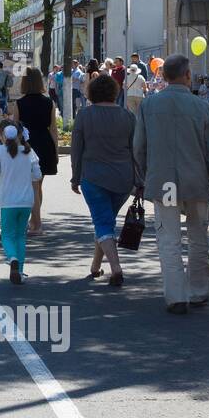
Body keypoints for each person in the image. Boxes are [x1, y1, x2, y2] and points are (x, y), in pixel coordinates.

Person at [134, 53, 209, 313]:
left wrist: (142, 178)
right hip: (197, 181)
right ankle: (199, 291)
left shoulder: (148, 106)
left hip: (163, 182)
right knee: (199, 237)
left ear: (163, 77)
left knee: (168, 239)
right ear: (187, 76)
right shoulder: (203, 108)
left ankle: (176, 296)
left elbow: (139, 147)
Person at [71, 73, 140, 286]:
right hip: (123, 179)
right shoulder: (128, 116)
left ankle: (116, 268)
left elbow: (76, 149)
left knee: (102, 223)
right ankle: (95, 266)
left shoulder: (84, 115)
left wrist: (75, 177)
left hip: (94, 176)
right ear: (114, 91)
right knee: (105, 222)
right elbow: (136, 150)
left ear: (92, 92)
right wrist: (139, 180)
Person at [0, 122, 41, 285]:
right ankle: (19, 271)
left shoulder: (0, 151)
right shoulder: (29, 151)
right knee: (20, 236)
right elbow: (37, 176)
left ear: (3, 136)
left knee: (7, 235)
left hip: (7, 201)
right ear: (20, 135)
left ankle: (12, 258)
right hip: (26, 201)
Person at [14, 66, 59, 235]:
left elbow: (16, 129)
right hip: (45, 143)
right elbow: (53, 129)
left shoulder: (19, 103)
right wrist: (55, 151)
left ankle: (35, 221)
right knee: (38, 184)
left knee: (28, 185)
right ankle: (35, 220)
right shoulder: (49, 102)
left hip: (27, 145)